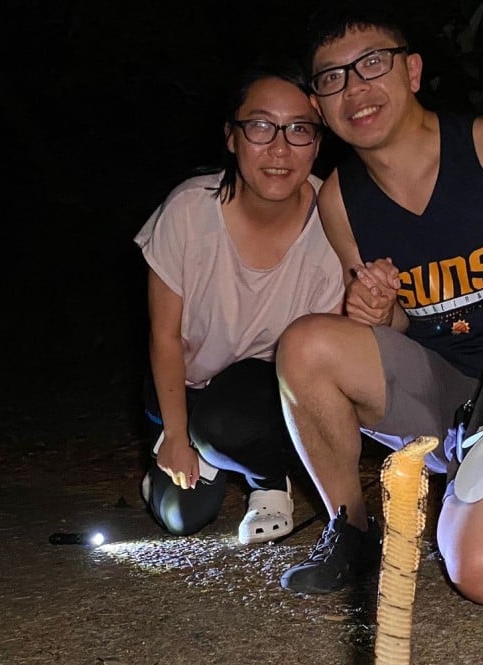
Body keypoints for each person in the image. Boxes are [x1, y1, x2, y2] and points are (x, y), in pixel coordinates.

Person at [275, 2, 483, 601]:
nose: (355, 88)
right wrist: (381, 313)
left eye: (372, 64)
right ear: (321, 106)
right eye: (333, 78)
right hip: (442, 392)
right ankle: (351, 530)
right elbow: (410, 321)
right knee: (306, 344)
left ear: (411, 72)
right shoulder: (338, 198)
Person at [134, 58, 344, 545]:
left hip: (264, 391)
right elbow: (164, 335)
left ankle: (267, 481)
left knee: (230, 420)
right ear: (231, 136)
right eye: (261, 126)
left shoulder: (336, 219)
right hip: (184, 383)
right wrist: (180, 437)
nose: (279, 147)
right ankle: (190, 452)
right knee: (182, 516)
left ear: (317, 142)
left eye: (299, 130)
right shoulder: (188, 210)